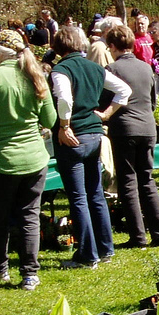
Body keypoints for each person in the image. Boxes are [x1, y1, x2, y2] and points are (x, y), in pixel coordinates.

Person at [0, 30, 56, 289]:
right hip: (34, 158)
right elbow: (50, 120)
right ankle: (30, 274)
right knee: (30, 215)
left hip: (1, 160)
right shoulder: (35, 75)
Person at [50, 25, 131, 268]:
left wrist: (64, 126)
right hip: (95, 136)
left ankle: (87, 256)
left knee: (78, 197)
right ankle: (106, 249)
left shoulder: (60, 70)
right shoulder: (95, 67)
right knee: (95, 193)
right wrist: (106, 113)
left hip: (73, 138)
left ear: (58, 47)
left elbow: (65, 98)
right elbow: (124, 90)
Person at [100, 25, 159, 249]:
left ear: (112, 46)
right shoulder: (146, 67)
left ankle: (138, 237)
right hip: (148, 127)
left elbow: (105, 103)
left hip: (124, 128)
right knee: (147, 180)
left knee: (128, 182)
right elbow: (152, 101)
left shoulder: (111, 69)